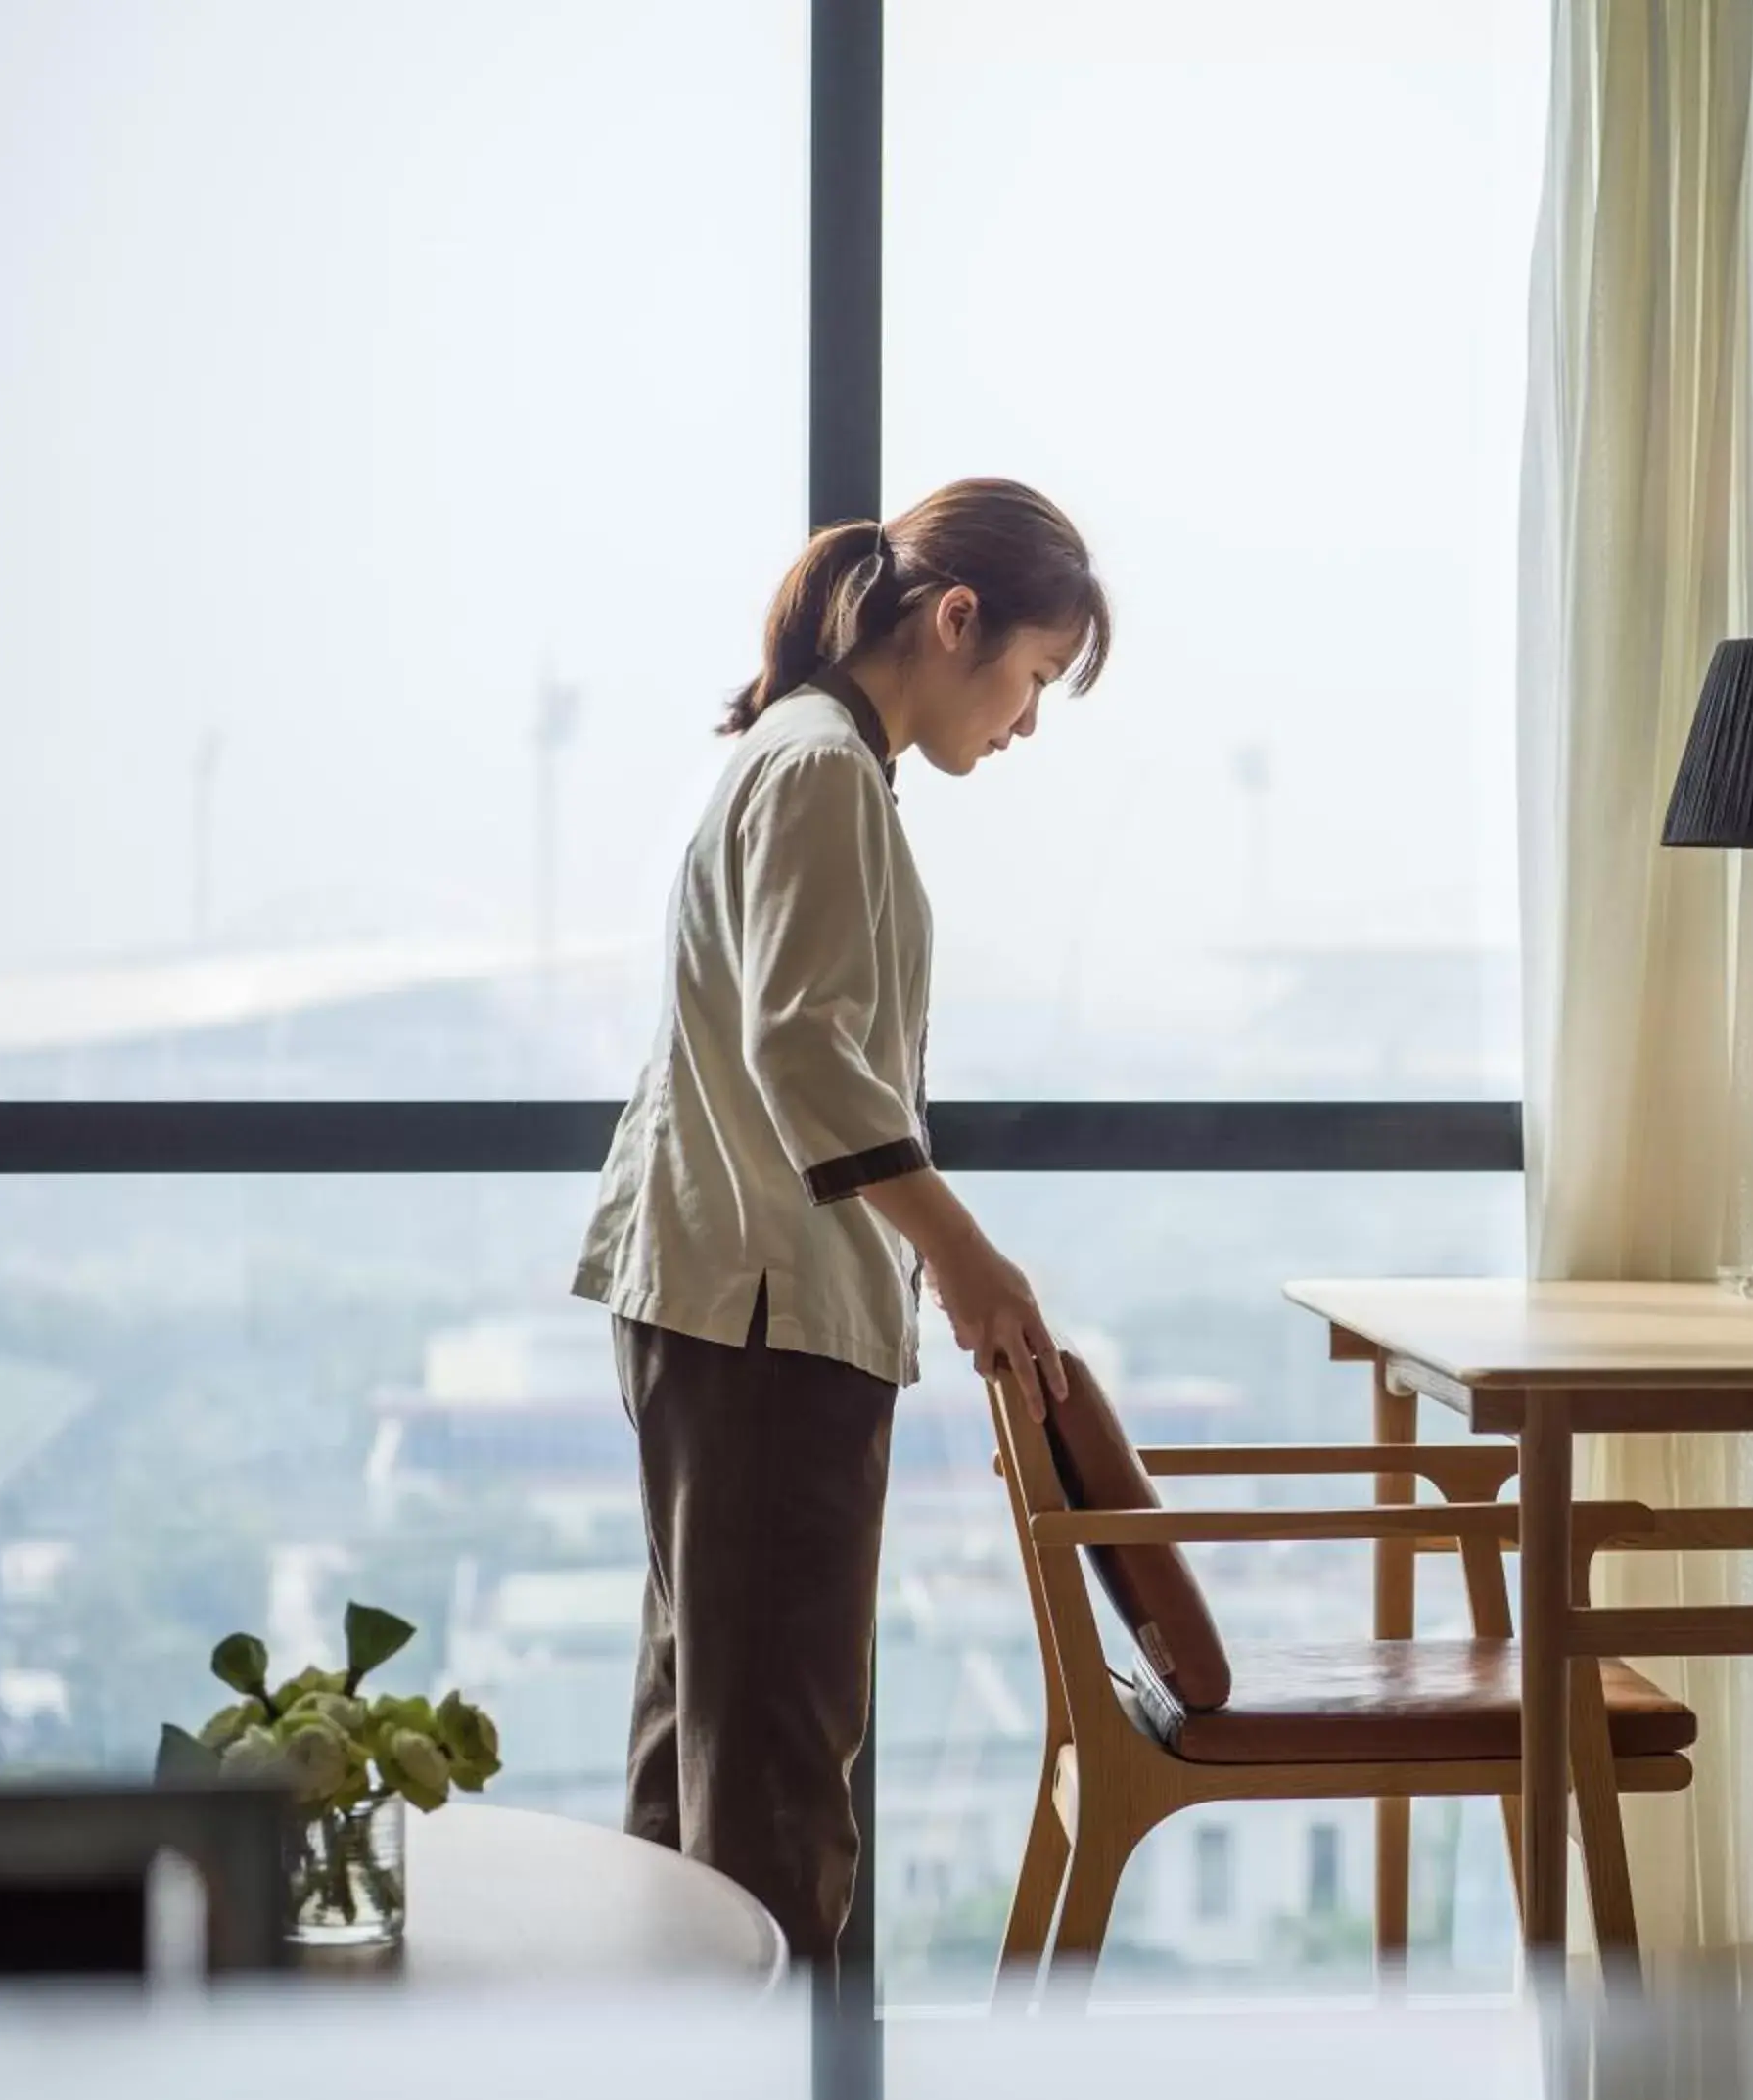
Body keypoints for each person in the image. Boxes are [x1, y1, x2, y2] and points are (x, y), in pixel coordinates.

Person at [572, 478, 1106, 1965]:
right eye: (1033, 676)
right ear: (955, 622)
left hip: (730, 1305)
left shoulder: (806, 757)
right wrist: (965, 1251)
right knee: (770, 1793)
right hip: (761, 1320)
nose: (1028, 721)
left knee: (703, 1763)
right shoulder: (816, 770)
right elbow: (805, 1047)